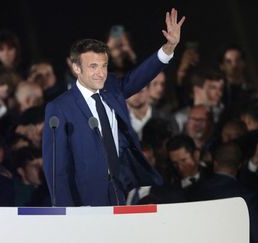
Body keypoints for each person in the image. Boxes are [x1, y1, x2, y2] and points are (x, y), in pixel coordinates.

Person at [43, 8, 185, 206]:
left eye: (104, 65)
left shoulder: (112, 87)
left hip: (123, 186)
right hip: (87, 196)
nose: (101, 73)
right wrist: (65, 212)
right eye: (93, 66)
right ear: (77, 68)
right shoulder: (59, 107)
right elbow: (56, 168)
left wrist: (169, 48)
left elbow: (139, 77)